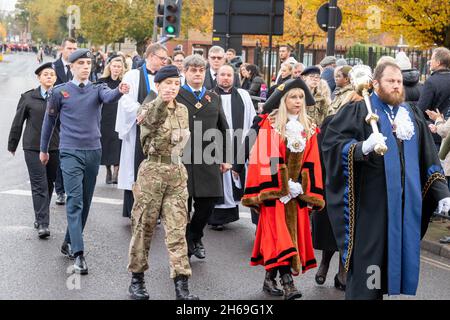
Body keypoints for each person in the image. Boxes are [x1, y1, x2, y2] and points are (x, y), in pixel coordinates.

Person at [322, 61, 450, 299]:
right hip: (371, 208)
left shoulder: (411, 115)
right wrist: (360, 148)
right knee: (368, 268)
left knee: (387, 269)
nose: (396, 86)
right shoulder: (360, 111)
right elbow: (331, 145)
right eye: (391, 81)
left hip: (403, 209)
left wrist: (442, 191)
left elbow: (428, 156)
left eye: (399, 81)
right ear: (376, 84)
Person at [40, 49, 130, 275]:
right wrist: (43, 150)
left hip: (93, 152)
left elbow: (109, 98)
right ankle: (78, 254)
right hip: (70, 152)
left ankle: (68, 242)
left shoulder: (98, 88)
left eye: (88, 63)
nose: (85, 66)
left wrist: (119, 90)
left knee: (86, 203)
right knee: (75, 202)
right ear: (71, 67)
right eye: (80, 63)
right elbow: (48, 123)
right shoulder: (60, 92)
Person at [241, 80, 325, 300]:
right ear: (283, 100)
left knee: (286, 236)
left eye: (300, 98)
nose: (297, 102)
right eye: (293, 97)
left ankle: (270, 277)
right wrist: (282, 185)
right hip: (274, 191)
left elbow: (314, 159)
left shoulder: (311, 128)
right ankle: (288, 284)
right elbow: (264, 156)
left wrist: (302, 187)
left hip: (296, 194)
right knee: (281, 236)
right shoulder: (270, 124)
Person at [127, 65, 199, 301]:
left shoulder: (183, 111)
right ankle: (137, 279)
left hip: (176, 173)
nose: (172, 88)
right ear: (157, 85)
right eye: (167, 83)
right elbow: (151, 124)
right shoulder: (148, 108)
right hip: (152, 173)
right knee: (143, 227)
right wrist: (161, 100)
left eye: (176, 84)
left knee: (178, 230)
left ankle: (182, 287)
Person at [175, 54, 231, 260]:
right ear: (185, 72)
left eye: (201, 70)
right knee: (182, 205)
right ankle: (186, 241)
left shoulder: (213, 97)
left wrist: (226, 157)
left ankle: (195, 236)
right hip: (182, 159)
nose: (197, 74)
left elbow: (223, 129)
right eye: (193, 70)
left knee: (207, 204)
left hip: (208, 159)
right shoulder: (176, 94)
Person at [312, 65, 358, 291]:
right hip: (333, 181)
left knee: (349, 231)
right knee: (331, 227)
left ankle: (343, 272)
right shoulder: (332, 121)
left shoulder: (369, 123)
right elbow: (322, 151)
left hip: (355, 183)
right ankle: (324, 264)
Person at [116, 43, 168, 218]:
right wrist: (142, 111)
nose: (164, 61)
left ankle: (154, 213)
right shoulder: (133, 75)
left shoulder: (165, 77)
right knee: (135, 170)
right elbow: (125, 101)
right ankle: (134, 210)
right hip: (138, 130)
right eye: (162, 58)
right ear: (151, 56)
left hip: (159, 132)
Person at [8, 63, 58, 239]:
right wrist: (12, 144)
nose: (49, 77)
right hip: (33, 147)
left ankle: (39, 215)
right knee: (40, 184)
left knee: (50, 183)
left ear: (55, 78)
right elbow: (18, 121)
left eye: (52, 74)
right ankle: (43, 223)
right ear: (39, 78)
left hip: (55, 147)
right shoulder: (29, 97)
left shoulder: (60, 97)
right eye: (46, 74)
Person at [208, 64, 256, 231]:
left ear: (234, 77)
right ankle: (215, 218)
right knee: (218, 181)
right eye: (222, 75)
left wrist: (251, 142)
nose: (226, 78)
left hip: (238, 143)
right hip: (215, 144)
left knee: (233, 182)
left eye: (229, 75)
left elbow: (252, 119)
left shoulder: (243, 95)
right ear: (217, 77)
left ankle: (229, 215)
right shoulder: (209, 95)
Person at [52, 38, 78, 206]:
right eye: (69, 48)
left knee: (73, 156)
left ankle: (71, 189)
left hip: (75, 117)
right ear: (62, 49)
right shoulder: (54, 67)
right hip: (58, 117)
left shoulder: (79, 66)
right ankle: (60, 190)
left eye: (75, 48)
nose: (72, 51)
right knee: (59, 154)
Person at [99, 55, 126, 184]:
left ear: (122, 69)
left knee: (118, 144)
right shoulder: (102, 81)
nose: (116, 69)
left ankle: (117, 170)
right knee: (107, 143)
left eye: (119, 67)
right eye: (114, 66)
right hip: (105, 116)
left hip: (119, 115)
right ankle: (108, 169)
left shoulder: (124, 82)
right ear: (109, 67)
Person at [417, 47, 450, 149]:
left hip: (434, 133)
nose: (429, 61)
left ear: (438, 62)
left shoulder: (431, 82)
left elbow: (421, 110)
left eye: (432, 59)